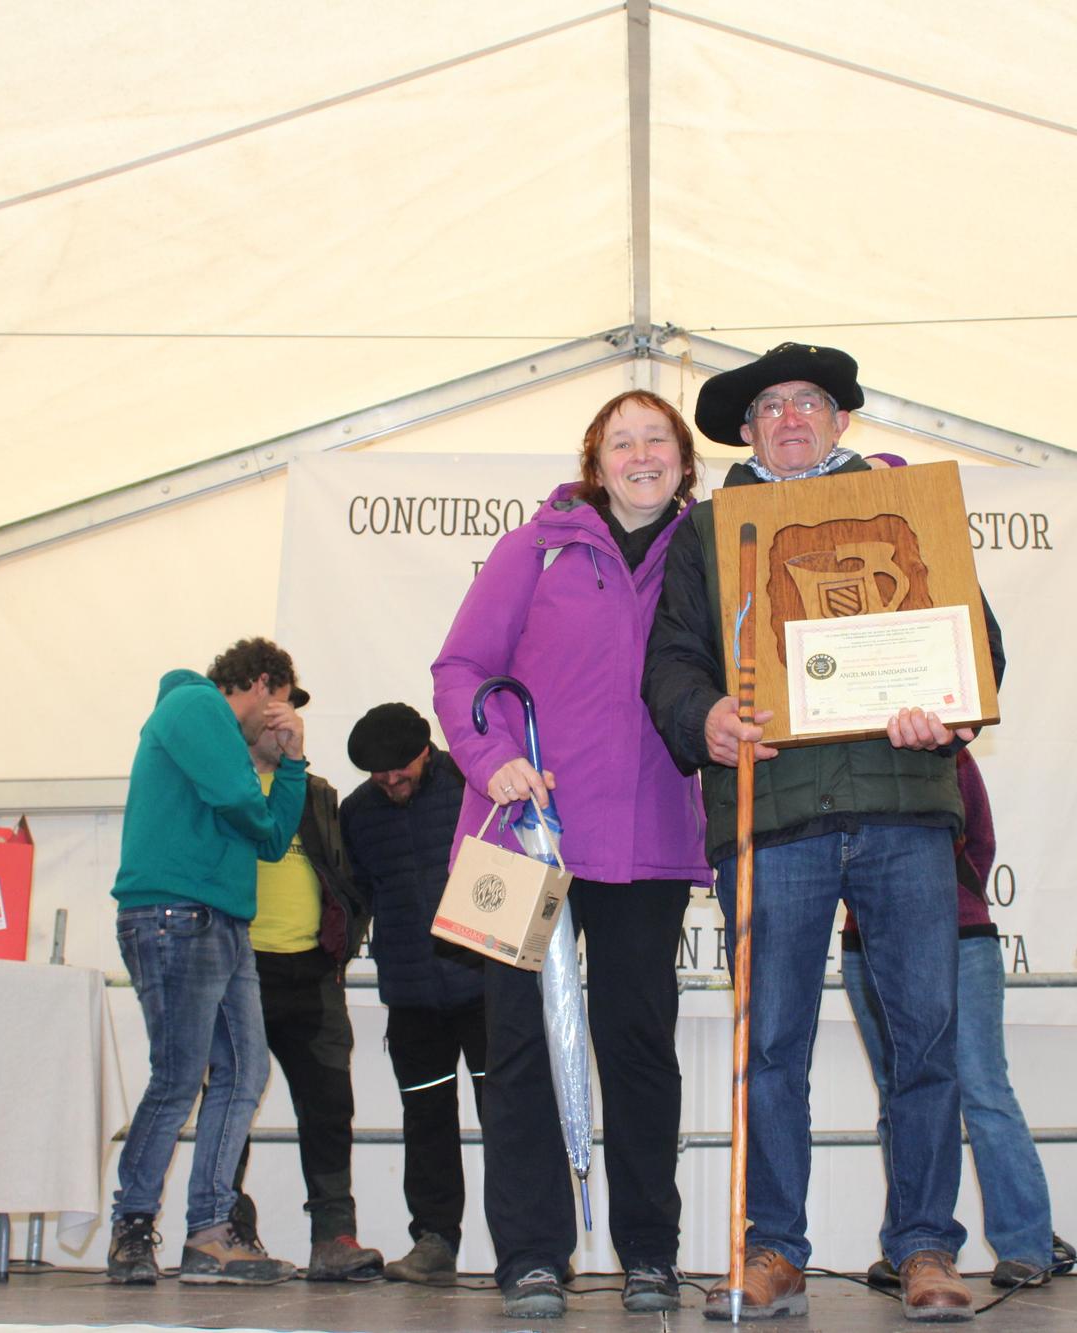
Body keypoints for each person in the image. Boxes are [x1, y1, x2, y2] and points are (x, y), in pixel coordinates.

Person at [643, 341, 1005, 1322]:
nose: (789, 418)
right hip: (774, 814)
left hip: (900, 801)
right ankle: (773, 1247)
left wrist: (952, 704)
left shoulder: (909, 512)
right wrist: (703, 716)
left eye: (807, 401)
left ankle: (925, 1245)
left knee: (925, 1038)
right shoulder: (708, 531)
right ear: (747, 430)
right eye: (769, 406)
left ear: (842, 420)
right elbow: (671, 659)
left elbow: (977, 639)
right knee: (770, 1045)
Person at [432, 389, 709, 1320]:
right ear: (596, 461)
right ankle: (531, 1256)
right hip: (514, 836)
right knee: (516, 1050)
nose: (640, 455)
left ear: (683, 458)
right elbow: (460, 669)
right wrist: (494, 756)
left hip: (649, 838)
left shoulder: (705, 551)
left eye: (657, 440)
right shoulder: (535, 544)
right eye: (621, 441)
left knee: (637, 1044)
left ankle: (649, 1254)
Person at [107, 638, 309, 1286]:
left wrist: (294, 763)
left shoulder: (230, 748)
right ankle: (133, 1225)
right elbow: (239, 801)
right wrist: (264, 765)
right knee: (178, 1076)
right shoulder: (194, 702)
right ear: (259, 682)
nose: (281, 720)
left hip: (220, 920)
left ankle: (210, 1231)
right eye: (279, 703)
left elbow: (273, 838)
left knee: (244, 1070)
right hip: (174, 912)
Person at [842, 750, 1066, 1292]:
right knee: (898, 1093)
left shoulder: (944, 747)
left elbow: (979, 837)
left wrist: (944, 899)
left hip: (959, 933)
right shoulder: (838, 751)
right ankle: (913, 1246)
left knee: (981, 1090)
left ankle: (1027, 1245)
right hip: (864, 941)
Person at [228, 649, 382, 1282]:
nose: (282, 722)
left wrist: (342, 943)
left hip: (312, 972)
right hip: (240, 969)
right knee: (230, 1105)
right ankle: (224, 1229)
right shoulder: (225, 783)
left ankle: (333, 1238)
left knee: (328, 1109)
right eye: (272, 711)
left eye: (289, 713)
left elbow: (346, 878)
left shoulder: (317, 792)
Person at [338, 703, 482, 1289]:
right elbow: (360, 893)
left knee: (512, 1118)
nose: (391, 784)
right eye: (380, 778)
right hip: (412, 996)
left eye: (401, 772)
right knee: (425, 1122)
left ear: (426, 751)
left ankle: (532, 1249)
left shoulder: (473, 784)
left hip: (485, 988)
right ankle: (434, 1242)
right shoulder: (355, 813)